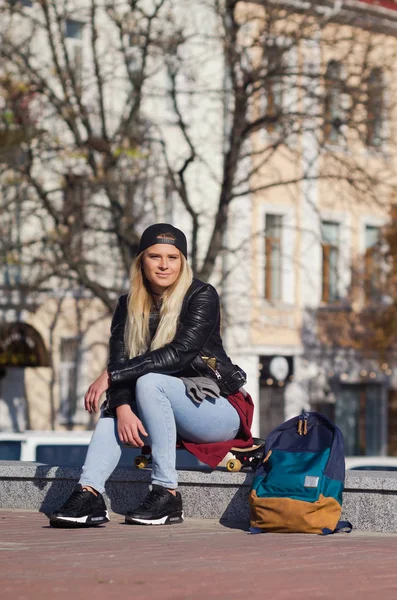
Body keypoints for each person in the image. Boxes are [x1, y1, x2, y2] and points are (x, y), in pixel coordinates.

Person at [49, 223, 254, 528]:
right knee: (118, 407)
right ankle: (89, 493)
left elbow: (179, 354)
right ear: (141, 261)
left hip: (215, 409)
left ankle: (167, 492)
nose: (163, 265)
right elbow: (119, 363)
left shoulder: (201, 295)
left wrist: (112, 374)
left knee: (148, 380)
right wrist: (122, 408)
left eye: (172, 257)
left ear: (182, 262)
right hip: (159, 406)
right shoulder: (126, 305)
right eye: (155, 256)